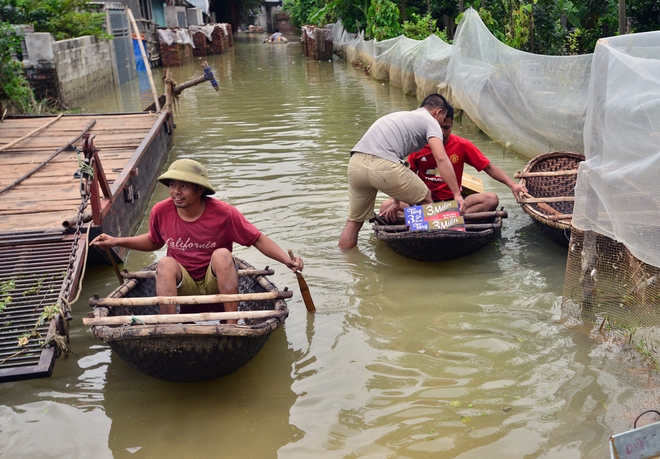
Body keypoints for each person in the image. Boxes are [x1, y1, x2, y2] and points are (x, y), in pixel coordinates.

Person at [90, 159, 303, 324]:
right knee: (164, 264)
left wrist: (287, 260)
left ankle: (231, 322)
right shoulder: (161, 211)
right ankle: (169, 325)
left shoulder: (224, 213)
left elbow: (256, 239)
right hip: (184, 284)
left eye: (184, 186)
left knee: (222, 255)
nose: (176, 192)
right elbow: (155, 242)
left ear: (200, 190)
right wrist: (116, 241)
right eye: (172, 185)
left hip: (214, 282)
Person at [338, 94, 465, 250]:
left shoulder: (401, 117)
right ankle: (425, 248)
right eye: (442, 120)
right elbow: (441, 158)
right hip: (382, 165)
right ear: (438, 113)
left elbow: (397, 158)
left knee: (354, 221)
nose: (440, 127)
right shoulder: (430, 121)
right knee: (425, 198)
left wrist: (397, 202)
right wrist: (457, 194)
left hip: (356, 164)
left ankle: (345, 261)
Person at [379, 105, 528, 220]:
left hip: (454, 203)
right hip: (424, 203)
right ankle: (445, 220)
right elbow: (405, 176)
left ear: (452, 126)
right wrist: (395, 200)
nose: (442, 133)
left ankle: (437, 220)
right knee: (386, 205)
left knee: (491, 199)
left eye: (446, 128)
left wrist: (512, 185)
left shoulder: (462, 145)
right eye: (438, 127)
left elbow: (487, 166)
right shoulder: (418, 147)